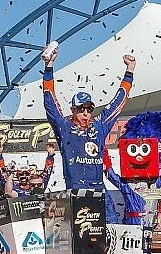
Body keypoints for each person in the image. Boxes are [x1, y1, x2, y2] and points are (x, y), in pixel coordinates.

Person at [42, 44, 136, 223]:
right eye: (81, 109)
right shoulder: (64, 127)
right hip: (76, 192)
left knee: (112, 232)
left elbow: (118, 103)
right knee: (81, 240)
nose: (86, 113)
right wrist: (49, 67)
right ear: (72, 109)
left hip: (99, 190)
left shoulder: (99, 126)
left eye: (89, 109)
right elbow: (50, 102)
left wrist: (129, 71)